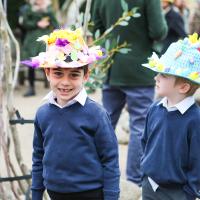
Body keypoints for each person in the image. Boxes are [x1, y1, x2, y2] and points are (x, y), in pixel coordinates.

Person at [21, 28, 120, 200]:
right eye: (58, 73)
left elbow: (110, 160)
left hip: (90, 194)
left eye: (74, 75)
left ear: (86, 76)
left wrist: (111, 196)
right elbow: (38, 156)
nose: (65, 82)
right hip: (54, 194)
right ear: (47, 73)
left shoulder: (96, 114)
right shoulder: (43, 114)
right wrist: (36, 193)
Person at [92, 0, 168, 186]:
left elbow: (96, 26)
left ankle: (95, 174)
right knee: (139, 126)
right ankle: (133, 181)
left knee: (105, 122)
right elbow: (158, 31)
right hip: (139, 68)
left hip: (111, 66)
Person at [141, 33, 200, 200]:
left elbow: (197, 160)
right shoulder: (154, 108)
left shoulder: (195, 120)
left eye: (164, 75)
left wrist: (190, 193)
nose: (156, 77)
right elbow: (145, 141)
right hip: (149, 186)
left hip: (178, 193)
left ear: (183, 87)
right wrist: (144, 174)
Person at [20, 0, 58, 96]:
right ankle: (31, 88)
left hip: (43, 39)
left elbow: (55, 24)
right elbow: (24, 23)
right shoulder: (28, 8)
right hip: (31, 40)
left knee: (46, 63)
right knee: (31, 64)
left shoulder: (48, 9)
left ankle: (54, 87)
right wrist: (36, 24)